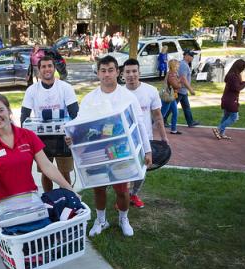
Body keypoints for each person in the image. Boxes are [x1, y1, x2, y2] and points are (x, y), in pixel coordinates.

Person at [0, 94, 74, 269]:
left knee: (35, 244)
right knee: (9, 248)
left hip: (30, 199)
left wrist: (68, 188)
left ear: (8, 111)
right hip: (3, 204)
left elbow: (46, 166)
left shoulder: (27, 136)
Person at [68, 56, 152, 237]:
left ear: (117, 72)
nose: (107, 74)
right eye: (103, 70)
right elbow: (80, 126)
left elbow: (140, 124)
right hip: (96, 152)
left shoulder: (128, 97)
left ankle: (123, 218)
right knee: (99, 188)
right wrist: (72, 138)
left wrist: (147, 149)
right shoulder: (90, 99)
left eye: (111, 70)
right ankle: (101, 220)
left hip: (122, 152)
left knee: (122, 190)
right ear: (98, 73)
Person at [21, 55, 79, 192]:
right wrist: (27, 138)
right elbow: (24, 117)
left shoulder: (66, 88)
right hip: (41, 138)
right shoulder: (32, 90)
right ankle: (49, 200)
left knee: (64, 173)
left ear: (54, 68)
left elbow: (75, 114)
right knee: (46, 173)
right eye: (43, 66)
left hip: (63, 138)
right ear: (39, 69)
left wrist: (74, 134)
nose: (47, 69)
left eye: (50, 66)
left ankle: (68, 199)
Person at [123, 58, 168, 209]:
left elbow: (157, 116)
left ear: (139, 72)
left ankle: (134, 194)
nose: (131, 75)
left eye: (134, 71)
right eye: (127, 72)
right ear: (122, 74)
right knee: (126, 170)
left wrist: (164, 138)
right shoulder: (119, 93)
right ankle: (123, 198)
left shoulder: (151, 91)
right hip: (125, 140)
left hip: (145, 139)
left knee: (142, 171)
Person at [213, 59, 245, 140]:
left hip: (226, 99)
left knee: (226, 116)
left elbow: (237, 84)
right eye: (243, 67)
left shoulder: (232, 74)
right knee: (234, 117)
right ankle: (218, 129)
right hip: (231, 100)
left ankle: (221, 133)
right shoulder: (234, 76)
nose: (244, 69)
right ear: (240, 67)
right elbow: (237, 88)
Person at [166, 50, 200, 128]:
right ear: (186, 55)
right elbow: (183, 78)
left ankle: (190, 122)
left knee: (186, 107)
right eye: (191, 56)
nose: (192, 57)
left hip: (183, 91)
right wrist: (191, 89)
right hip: (180, 90)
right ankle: (163, 119)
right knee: (172, 107)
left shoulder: (184, 64)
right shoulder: (184, 65)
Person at [162, 59, 183, 135]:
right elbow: (176, 85)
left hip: (172, 96)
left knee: (175, 112)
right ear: (174, 65)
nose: (179, 66)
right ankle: (150, 125)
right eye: (177, 64)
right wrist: (181, 83)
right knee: (161, 114)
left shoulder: (174, 73)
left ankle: (173, 130)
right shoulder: (171, 74)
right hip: (168, 96)